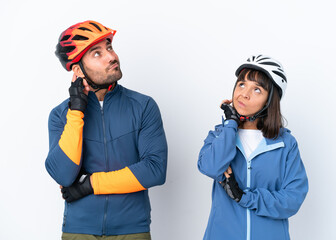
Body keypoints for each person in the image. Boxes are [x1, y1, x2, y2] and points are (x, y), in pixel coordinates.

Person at [45, 20, 167, 240]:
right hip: (78, 231)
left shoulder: (143, 106)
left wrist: (91, 184)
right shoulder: (60, 115)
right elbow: (63, 173)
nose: (111, 56)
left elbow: (155, 170)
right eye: (96, 53)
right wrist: (76, 112)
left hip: (132, 230)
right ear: (77, 69)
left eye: (109, 47)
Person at [197, 55, 308, 240]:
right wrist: (231, 124)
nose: (244, 94)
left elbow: (292, 199)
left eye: (257, 90)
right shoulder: (219, 135)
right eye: (242, 84)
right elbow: (210, 167)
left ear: (269, 101)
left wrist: (244, 197)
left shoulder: (285, 144)